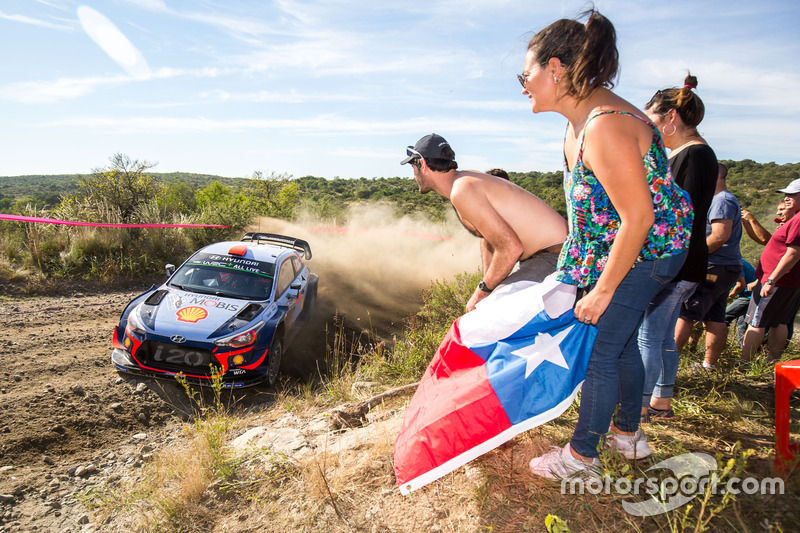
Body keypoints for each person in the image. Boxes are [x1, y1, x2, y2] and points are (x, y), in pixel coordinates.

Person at [518, 10, 692, 479]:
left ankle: (582, 457)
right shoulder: (577, 126)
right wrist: (571, 274)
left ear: (555, 69)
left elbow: (638, 218)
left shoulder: (605, 125)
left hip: (647, 251)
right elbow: (587, 220)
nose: (523, 85)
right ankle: (629, 436)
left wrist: (602, 290)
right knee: (622, 346)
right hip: (631, 247)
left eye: (525, 73)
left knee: (600, 348)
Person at [400, 134, 568, 312]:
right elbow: (488, 236)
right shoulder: (466, 180)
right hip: (546, 257)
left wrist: (483, 292)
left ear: (422, 164)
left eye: (413, 167)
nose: (413, 176)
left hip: (556, 257)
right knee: (486, 307)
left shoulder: (462, 190)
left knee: (487, 315)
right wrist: (487, 284)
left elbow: (511, 248)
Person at [638, 75, 718, 422]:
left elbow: (674, 217)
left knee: (648, 338)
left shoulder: (692, 156)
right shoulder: (695, 155)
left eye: (653, 120)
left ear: (670, 118)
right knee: (665, 338)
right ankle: (661, 403)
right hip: (687, 260)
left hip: (674, 260)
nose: (650, 128)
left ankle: (637, 409)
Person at [673, 163, 742, 371]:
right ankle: (708, 366)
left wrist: (692, 257)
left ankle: (664, 366)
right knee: (715, 316)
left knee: (686, 313)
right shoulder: (725, 200)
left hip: (714, 265)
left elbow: (719, 236)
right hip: (726, 266)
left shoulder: (721, 200)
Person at [742, 179, 800, 362]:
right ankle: (771, 362)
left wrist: (770, 280)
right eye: (787, 195)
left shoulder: (798, 220)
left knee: (756, 322)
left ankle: (744, 364)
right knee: (780, 321)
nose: (787, 198)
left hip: (779, 281)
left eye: (793, 194)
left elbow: (793, 253)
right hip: (789, 281)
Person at [725, 258, 757, 347]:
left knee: (724, 317)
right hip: (752, 296)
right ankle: (742, 347)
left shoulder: (736, 262)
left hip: (748, 296)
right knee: (742, 323)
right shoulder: (738, 261)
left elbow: (740, 285)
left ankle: (720, 346)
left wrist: (730, 297)